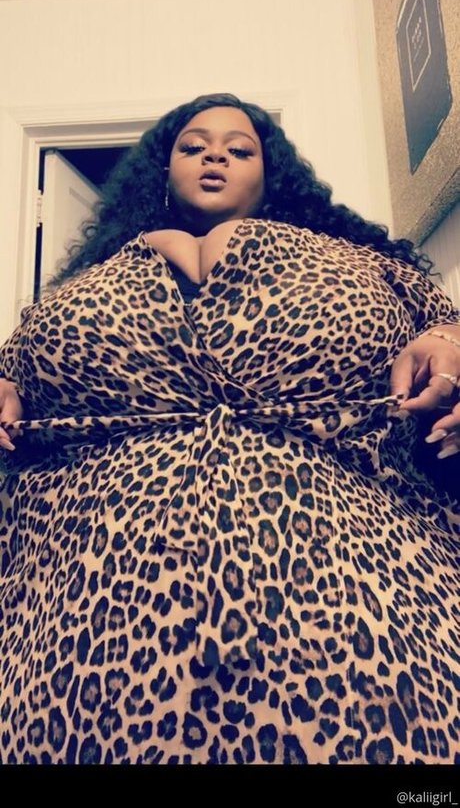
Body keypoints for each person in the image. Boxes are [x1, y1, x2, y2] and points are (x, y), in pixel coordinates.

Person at [0, 92, 459, 767]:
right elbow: (19, 370)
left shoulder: (366, 263)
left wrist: (448, 346)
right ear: (162, 171)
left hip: (352, 597)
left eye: (239, 149)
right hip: (90, 614)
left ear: (273, 177)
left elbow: (442, 323)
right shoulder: (84, 286)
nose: (214, 155)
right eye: (193, 146)